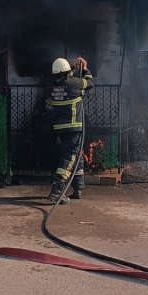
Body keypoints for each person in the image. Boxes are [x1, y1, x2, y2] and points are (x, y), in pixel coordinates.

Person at [46, 56, 93, 203]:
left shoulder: (53, 86)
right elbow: (90, 83)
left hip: (60, 129)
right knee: (70, 158)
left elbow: (64, 78)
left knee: (77, 156)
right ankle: (57, 191)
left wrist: (72, 68)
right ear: (67, 72)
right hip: (74, 127)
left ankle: (78, 189)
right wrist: (84, 68)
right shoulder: (74, 84)